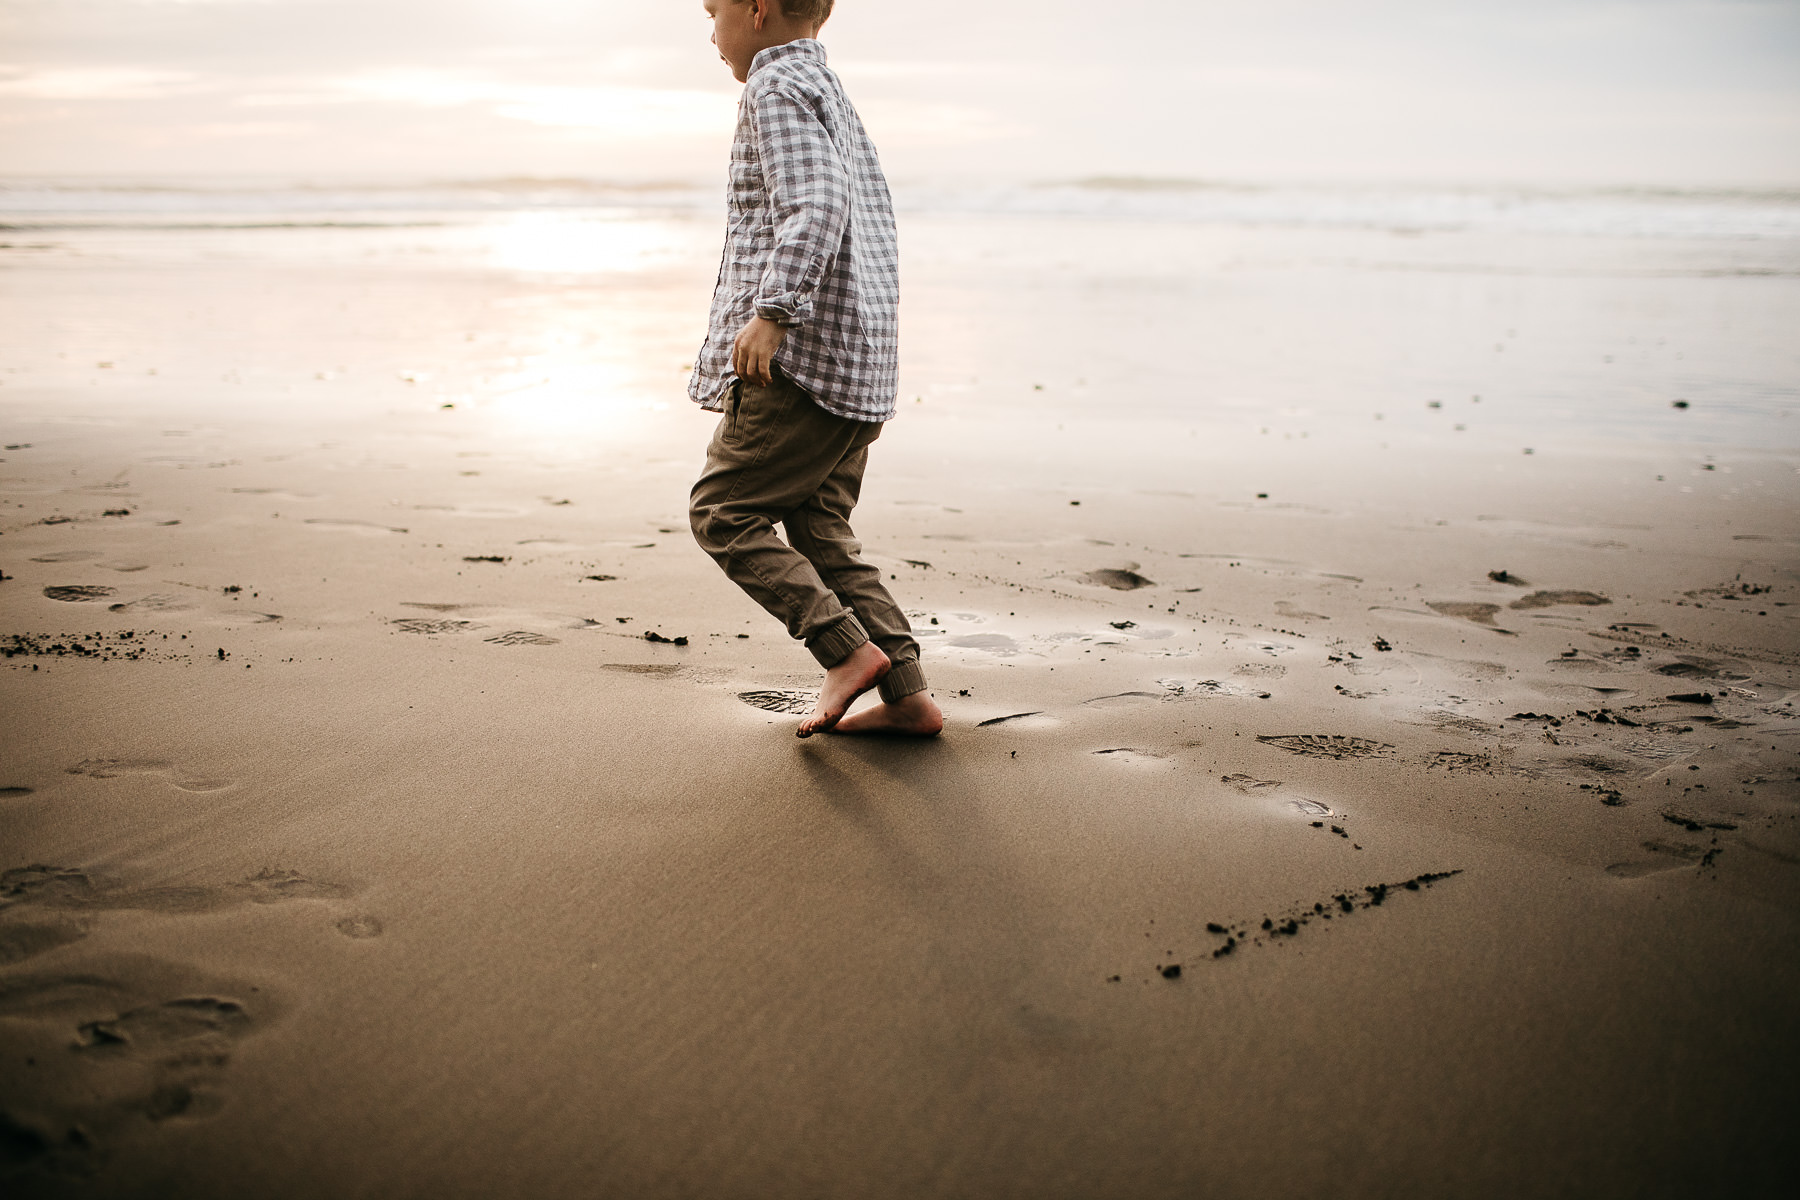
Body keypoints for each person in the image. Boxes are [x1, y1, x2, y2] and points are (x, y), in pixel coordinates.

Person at [688, 0, 943, 739]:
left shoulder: (773, 87)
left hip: (799, 367)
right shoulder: (827, 88)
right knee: (820, 528)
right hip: (855, 368)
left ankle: (845, 652)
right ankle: (907, 695)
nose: (710, 31)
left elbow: (818, 204)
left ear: (757, 10)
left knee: (723, 513)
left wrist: (773, 311)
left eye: (713, 11)